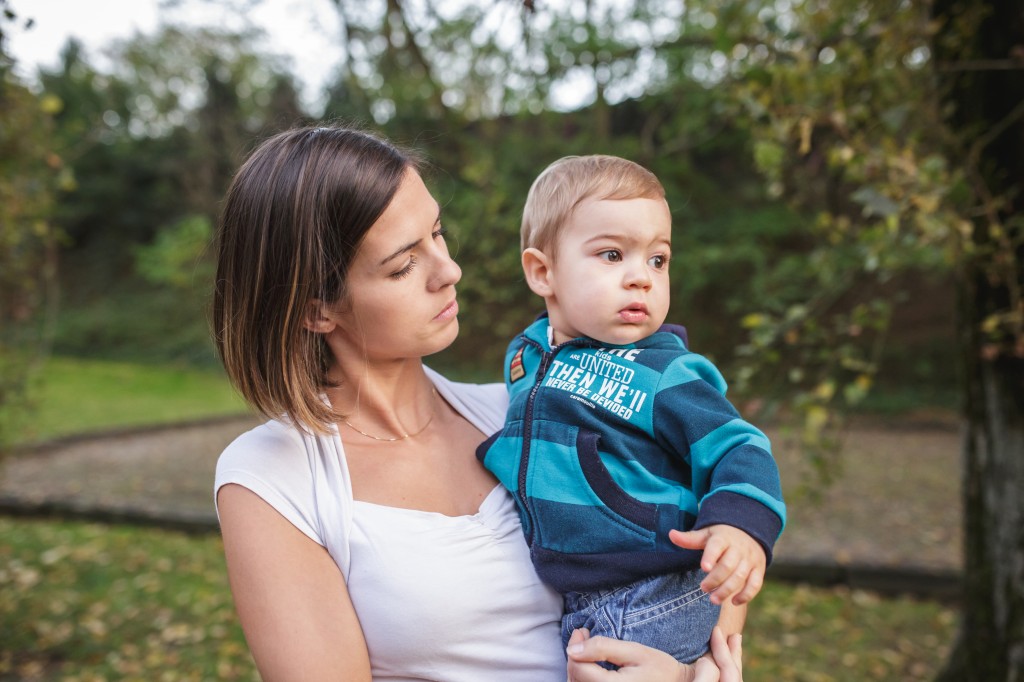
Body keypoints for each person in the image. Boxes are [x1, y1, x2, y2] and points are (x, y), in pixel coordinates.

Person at [211, 125, 747, 681]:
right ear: (317, 309)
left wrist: (689, 676)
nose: (449, 271)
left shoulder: (526, 410)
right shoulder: (272, 480)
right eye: (403, 264)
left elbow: (714, 559)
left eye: (437, 234)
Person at [477, 154, 786, 665]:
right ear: (542, 271)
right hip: (581, 602)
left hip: (654, 594)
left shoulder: (666, 373)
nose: (642, 277)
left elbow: (740, 445)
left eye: (657, 259)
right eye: (612, 255)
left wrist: (741, 525)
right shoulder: (525, 356)